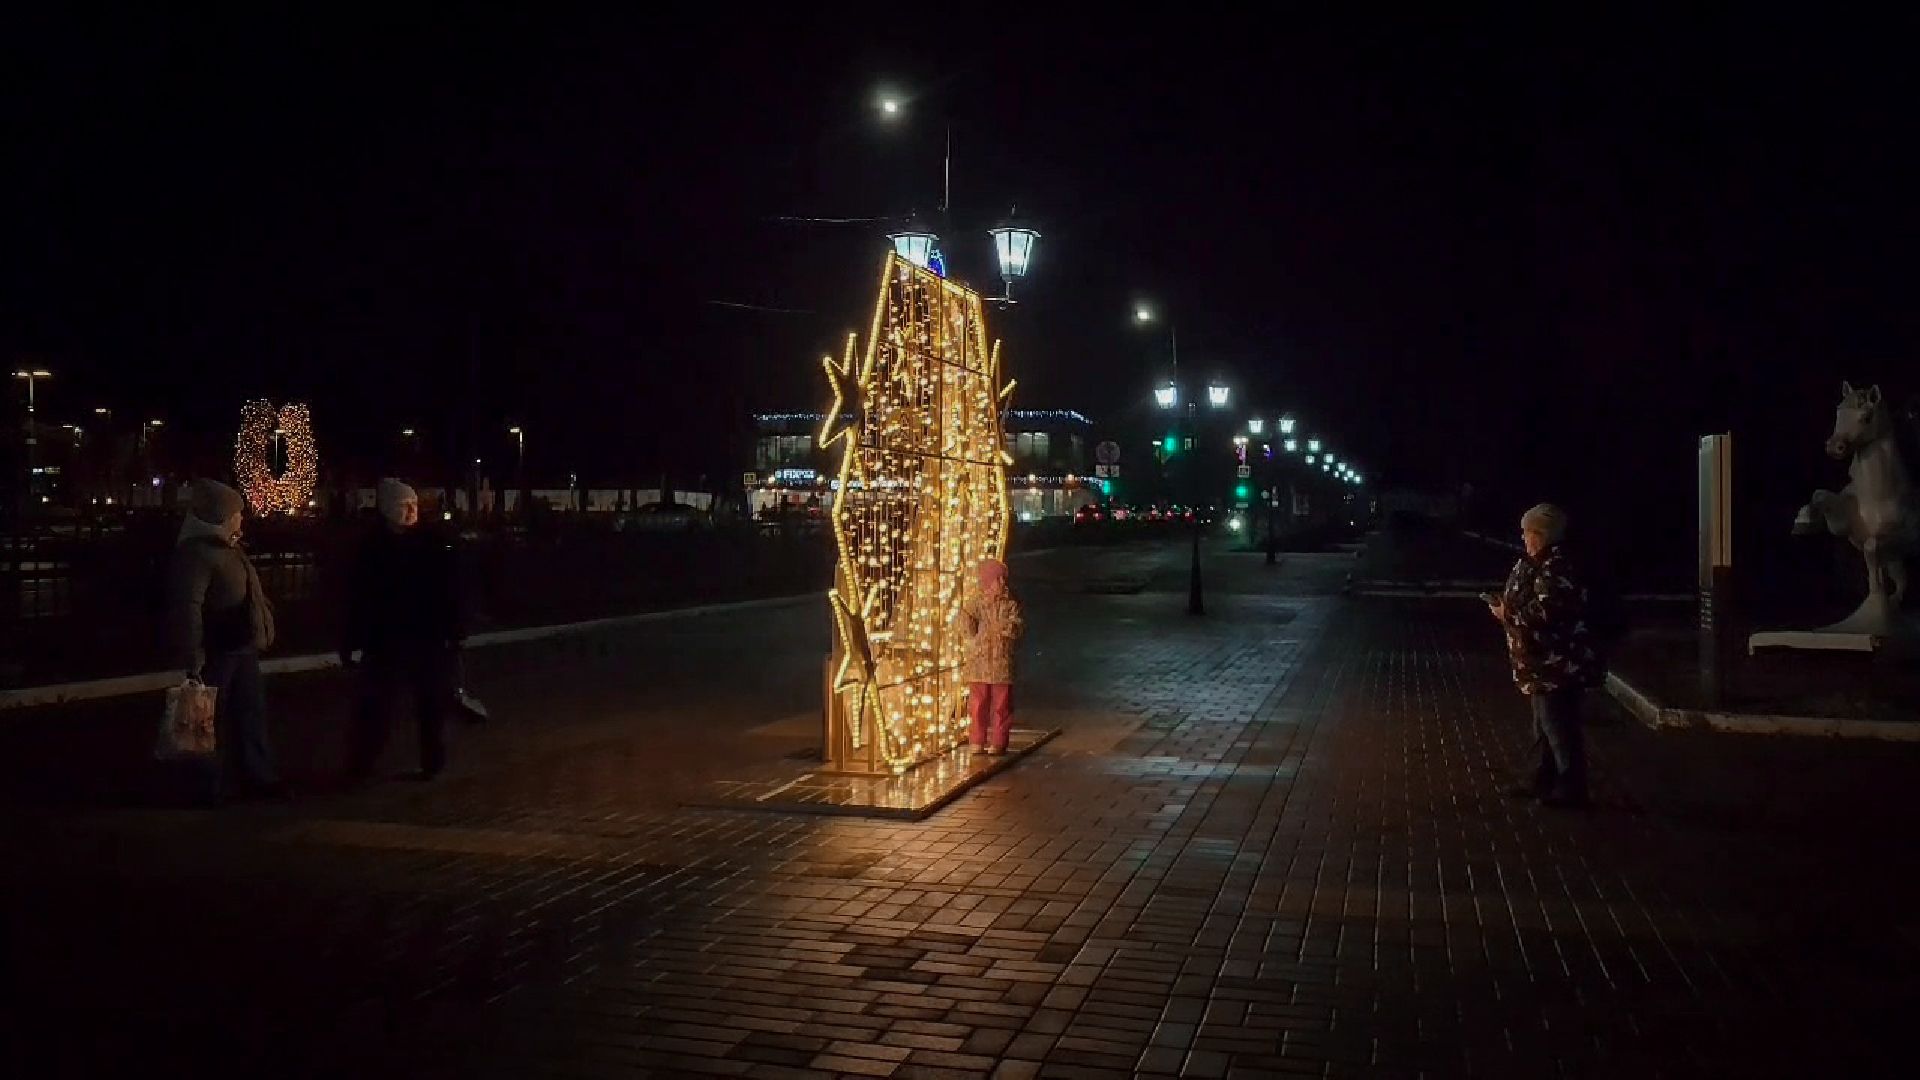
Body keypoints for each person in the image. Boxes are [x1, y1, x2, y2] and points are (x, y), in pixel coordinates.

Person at [166, 478, 282, 801]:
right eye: (236, 513)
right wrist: (193, 656)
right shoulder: (197, 554)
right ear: (220, 515)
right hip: (218, 650)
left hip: (241, 647)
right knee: (207, 721)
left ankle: (258, 778)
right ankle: (205, 787)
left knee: (250, 715)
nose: (241, 519)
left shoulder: (229, 548)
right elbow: (187, 607)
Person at [342, 478, 465, 783]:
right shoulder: (373, 548)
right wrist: (352, 638)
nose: (411, 512)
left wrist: (455, 630)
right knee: (378, 706)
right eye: (403, 506)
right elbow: (359, 597)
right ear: (387, 510)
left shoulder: (431, 543)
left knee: (432, 704)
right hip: (388, 640)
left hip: (428, 636)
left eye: (414, 506)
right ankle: (362, 764)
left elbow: (451, 590)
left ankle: (433, 761)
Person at [1485, 503, 1603, 807]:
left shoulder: (1558, 565)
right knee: (1543, 723)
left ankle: (1572, 789)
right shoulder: (1534, 562)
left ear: (1542, 534)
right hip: (1539, 662)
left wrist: (1506, 614)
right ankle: (1540, 780)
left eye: (1528, 532)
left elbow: (1547, 610)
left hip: (1558, 662)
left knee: (1558, 725)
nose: (1523, 537)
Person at [960, 558, 1023, 755]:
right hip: (979, 661)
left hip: (1001, 660)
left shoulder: (1011, 602)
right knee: (978, 704)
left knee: (1001, 705)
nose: (1002, 584)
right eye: (998, 579)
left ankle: (998, 742)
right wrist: (972, 638)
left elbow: (1017, 625)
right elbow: (964, 617)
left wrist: (1003, 629)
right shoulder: (977, 601)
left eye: (1004, 579)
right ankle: (977, 740)